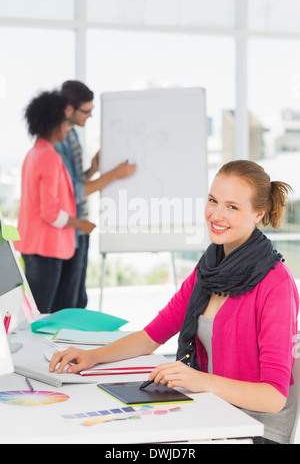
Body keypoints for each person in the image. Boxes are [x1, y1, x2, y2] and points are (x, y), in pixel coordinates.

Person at [49, 160, 299, 444]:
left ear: (259, 214)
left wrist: (200, 381)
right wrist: (92, 356)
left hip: (256, 429)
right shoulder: (209, 268)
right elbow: (151, 336)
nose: (216, 214)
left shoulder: (276, 284)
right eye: (213, 200)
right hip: (215, 411)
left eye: (232, 207)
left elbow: (274, 397)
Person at [54, 80, 136, 311]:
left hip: (79, 231)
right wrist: (114, 175)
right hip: (68, 230)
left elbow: (76, 181)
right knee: (66, 303)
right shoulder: (57, 141)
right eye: (86, 111)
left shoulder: (72, 136)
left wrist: (93, 169)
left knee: (78, 300)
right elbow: (72, 193)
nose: (90, 116)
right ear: (68, 109)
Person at [15, 91, 96, 314]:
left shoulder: (35, 153)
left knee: (37, 311)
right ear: (54, 123)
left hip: (34, 247)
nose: (69, 127)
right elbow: (50, 212)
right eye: (66, 122)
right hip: (46, 250)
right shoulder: (50, 157)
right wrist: (80, 224)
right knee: (42, 316)